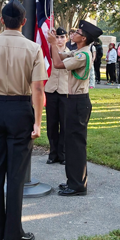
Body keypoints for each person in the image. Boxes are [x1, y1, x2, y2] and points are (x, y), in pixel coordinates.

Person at [0, 0, 48, 240]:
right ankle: (13, 233)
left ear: (2, 20)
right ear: (24, 22)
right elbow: (38, 88)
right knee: (16, 176)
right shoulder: (33, 48)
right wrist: (37, 122)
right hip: (21, 110)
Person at [50, 19, 103, 196]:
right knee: (71, 143)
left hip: (78, 101)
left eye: (78, 33)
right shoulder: (78, 52)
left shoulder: (83, 55)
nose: (74, 35)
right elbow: (59, 56)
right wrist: (53, 45)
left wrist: (51, 44)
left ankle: (78, 185)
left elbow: (58, 65)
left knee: (76, 144)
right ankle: (72, 181)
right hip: (74, 100)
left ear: (84, 38)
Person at [44, 28, 69, 165]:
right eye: (57, 37)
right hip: (51, 89)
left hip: (65, 90)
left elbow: (61, 64)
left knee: (64, 123)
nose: (59, 40)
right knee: (52, 123)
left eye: (61, 37)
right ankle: (53, 153)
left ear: (66, 39)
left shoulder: (71, 53)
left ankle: (63, 153)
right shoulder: (48, 53)